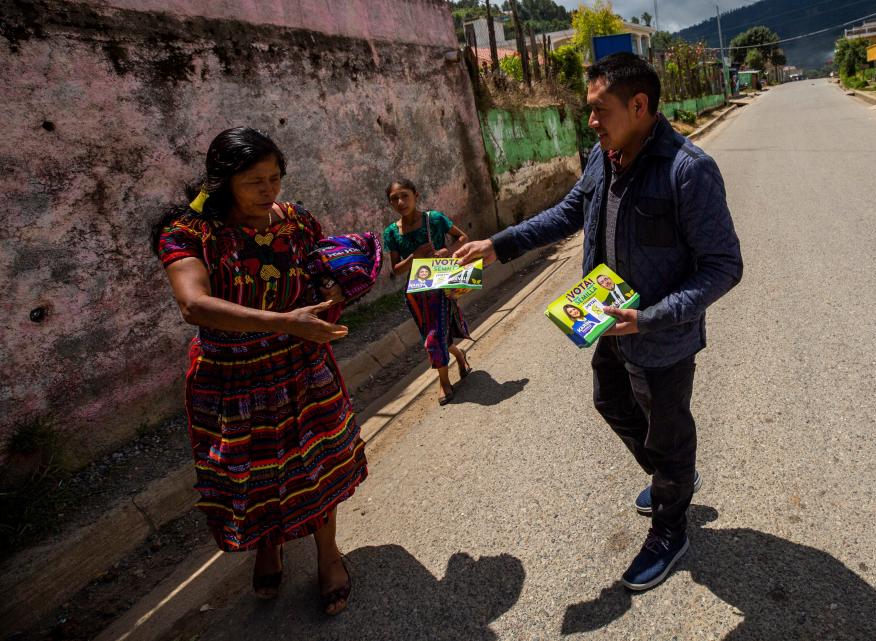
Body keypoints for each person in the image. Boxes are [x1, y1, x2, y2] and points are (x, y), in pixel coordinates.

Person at [455, 53, 743, 591]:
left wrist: (650, 317)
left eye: (598, 109)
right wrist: (498, 245)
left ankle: (671, 523)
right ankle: (671, 480)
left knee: (668, 429)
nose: (589, 120)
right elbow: (568, 213)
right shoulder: (603, 154)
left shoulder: (689, 169)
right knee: (610, 401)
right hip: (606, 319)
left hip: (661, 338)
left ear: (638, 106)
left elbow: (724, 267)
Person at [152, 127, 381, 616]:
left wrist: (335, 292)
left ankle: (327, 555)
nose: (270, 191)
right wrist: (283, 321)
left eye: (275, 178)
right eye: (255, 181)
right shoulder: (188, 234)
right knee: (250, 475)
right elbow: (194, 304)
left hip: (302, 367)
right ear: (223, 182)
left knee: (318, 464)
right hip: (230, 378)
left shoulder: (295, 221)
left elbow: (319, 271)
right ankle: (267, 544)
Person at [383, 179, 472, 405]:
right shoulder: (392, 233)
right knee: (432, 335)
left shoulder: (434, 219)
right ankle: (459, 356)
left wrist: (448, 252)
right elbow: (396, 270)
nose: (400, 202)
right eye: (394, 198)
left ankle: (443, 382)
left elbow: (462, 238)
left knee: (434, 336)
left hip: (441, 288)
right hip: (416, 294)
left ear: (416, 194)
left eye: (404, 195)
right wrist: (415, 257)